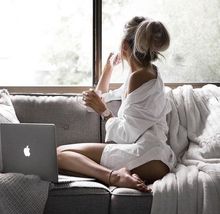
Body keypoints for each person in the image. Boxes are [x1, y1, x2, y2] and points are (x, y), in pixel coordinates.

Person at [57, 16, 176, 192]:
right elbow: (96, 102)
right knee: (65, 163)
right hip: (153, 156)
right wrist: (108, 70)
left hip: (146, 154)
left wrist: (104, 112)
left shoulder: (139, 77)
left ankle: (114, 176)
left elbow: (125, 136)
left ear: (125, 46)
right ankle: (115, 174)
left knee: (58, 155)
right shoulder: (145, 74)